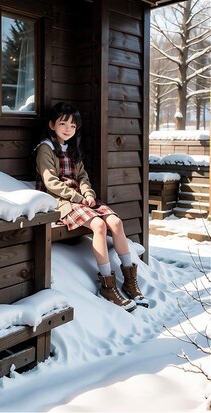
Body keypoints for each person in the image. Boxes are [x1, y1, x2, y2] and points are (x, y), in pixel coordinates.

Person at [35, 102, 148, 311]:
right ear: (52, 125)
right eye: (63, 124)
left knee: (115, 221)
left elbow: (82, 176)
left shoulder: (72, 149)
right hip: (60, 200)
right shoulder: (45, 149)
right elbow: (50, 182)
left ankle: (130, 282)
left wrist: (87, 193)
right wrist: (77, 197)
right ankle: (108, 285)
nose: (68, 129)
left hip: (80, 197)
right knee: (99, 226)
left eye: (73, 126)